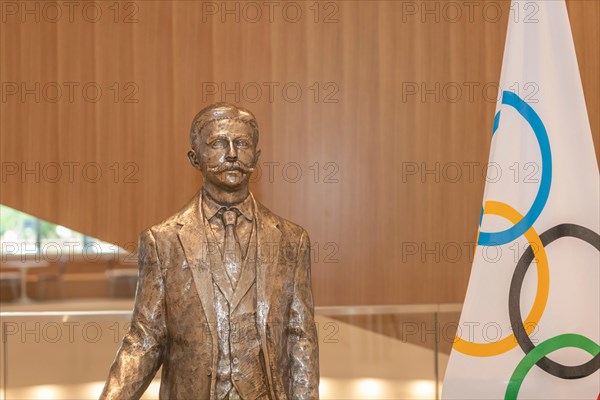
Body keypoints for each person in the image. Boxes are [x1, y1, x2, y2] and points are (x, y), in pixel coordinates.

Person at [100, 103, 319, 400]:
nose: (231, 153)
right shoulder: (162, 242)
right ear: (195, 158)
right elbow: (145, 339)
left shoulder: (291, 241)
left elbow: (300, 338)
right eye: (217, 143)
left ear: (256, 157)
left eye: (241, 143)